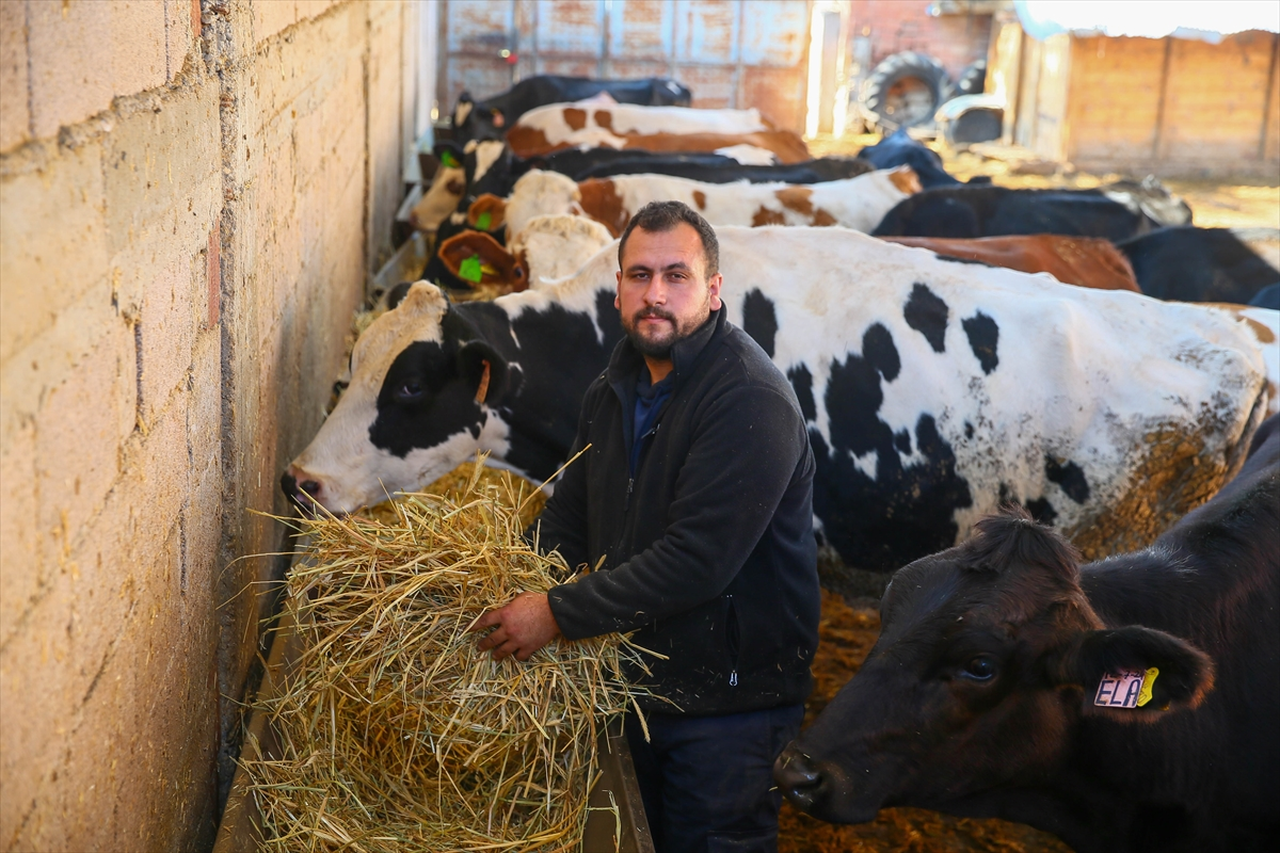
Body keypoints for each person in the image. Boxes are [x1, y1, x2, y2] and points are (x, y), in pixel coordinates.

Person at [474, 201, 821, 853]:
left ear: (714, 291)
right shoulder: (614, 388)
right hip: (636, 683)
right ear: (617, 289)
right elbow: (570, 519)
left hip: (728, 704)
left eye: (676, 275)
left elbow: (697, 561)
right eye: (639, 275)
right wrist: (496, 588)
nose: (654, 294)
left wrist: (555, 612)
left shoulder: (748, 399)